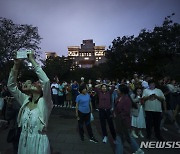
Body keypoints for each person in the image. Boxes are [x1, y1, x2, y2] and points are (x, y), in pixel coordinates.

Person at [7, 53, 53, 154]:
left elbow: (45, 81)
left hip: (39, 143)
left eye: (38, 83)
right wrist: (16, 65)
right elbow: (11, 86)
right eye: (35, 81)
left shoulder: (46, 102)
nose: (36, 82)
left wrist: (32, 60)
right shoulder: (25, 100)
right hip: (24, 141)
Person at [114, 84, 144, 154]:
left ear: (122, 91)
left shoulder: (127, 99)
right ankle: (138, 150)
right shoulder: (119, 97)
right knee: (126, 137)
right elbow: (116, 108)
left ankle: (137, 150)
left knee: (121, 137)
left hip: (124, 121)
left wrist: (118, 116)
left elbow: (126, 112)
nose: (117, 90)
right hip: (119, 121)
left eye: (118, 89)